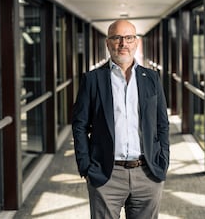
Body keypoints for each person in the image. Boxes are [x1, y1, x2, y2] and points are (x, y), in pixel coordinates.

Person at [72, 19, 170, 219]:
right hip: (106, 174)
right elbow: (80, 125)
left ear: (136, 42)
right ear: (108, 43)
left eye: (128, 38)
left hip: (148, 172)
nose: (123, 43)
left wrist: (163, 161)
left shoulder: (152, 78)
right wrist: (86, 167)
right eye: (117, 38)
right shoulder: (92, 80)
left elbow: (162, 124)